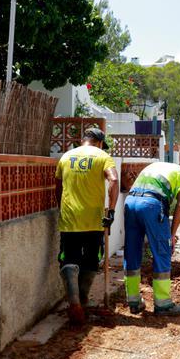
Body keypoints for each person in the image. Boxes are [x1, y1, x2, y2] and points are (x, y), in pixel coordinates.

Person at [55, 128, 119, 323]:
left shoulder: (65, 157)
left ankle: (74, 302)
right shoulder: (103, 156)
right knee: (91, 259)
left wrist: (62, 208)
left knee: (69, 259)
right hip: (93, 219)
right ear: (99, 142)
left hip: (70, 219)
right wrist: (112, 210)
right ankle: (83, 300)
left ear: (83, 140)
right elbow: (114, 180)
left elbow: (58, 186)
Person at [123, 162, 180, 316]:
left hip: (131, 202)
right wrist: (171, 234)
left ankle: (134, 302)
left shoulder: (159, 167)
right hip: (151, 204)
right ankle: (163, 304)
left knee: (132, 252)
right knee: (162, 252)